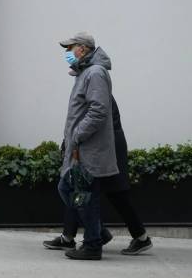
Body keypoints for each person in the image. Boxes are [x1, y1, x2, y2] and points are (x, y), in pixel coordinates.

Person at [44, 95, 153, 255]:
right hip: (107, 146)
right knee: (88, 190)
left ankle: (86, 235)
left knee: (85, 190)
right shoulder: (93, 85)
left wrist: (71, 141)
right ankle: (138, 237)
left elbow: (90, 119)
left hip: (105, 148)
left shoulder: (93, 85)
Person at [54, 31, 119, 260]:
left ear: (82, 49)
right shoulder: (84, 73)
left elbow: (99, 111)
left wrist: (78, 135)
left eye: (70, 49)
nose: (68, 53)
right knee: (70, 189)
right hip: (80, 148)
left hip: (89, 149)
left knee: (81, 193)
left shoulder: (95, 73)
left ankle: (93, 244)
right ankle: (97, 233)